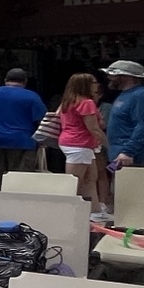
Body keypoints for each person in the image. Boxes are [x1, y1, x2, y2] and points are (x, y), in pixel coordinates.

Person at [0, 67, 46, 182]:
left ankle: (0, 195)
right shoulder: (32, 97)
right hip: (22, 141)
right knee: (19, 177)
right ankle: (15, 198)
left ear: (5, 79)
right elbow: (41, 118)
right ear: (25, 81)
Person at [56, 72, 109, 213]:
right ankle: (68, 211)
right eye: (93, 83)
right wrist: (109, 144)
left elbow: (57, 115)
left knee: (90, 179)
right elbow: (93, 128)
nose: (96, 85)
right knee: (75, 182)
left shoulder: (67, 101)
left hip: (72, 142)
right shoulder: (87, 103)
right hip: (80, 144)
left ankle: (95, 211)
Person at [103, 59, 144, 181]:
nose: (108, 78)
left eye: (113, 75)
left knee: (132, 194)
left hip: (130, 157)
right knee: (118, 193)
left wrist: (128, 151)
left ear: (126, 77)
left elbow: (143, 126)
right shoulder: (125, 94)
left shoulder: (141, 95)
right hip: (120, 155)